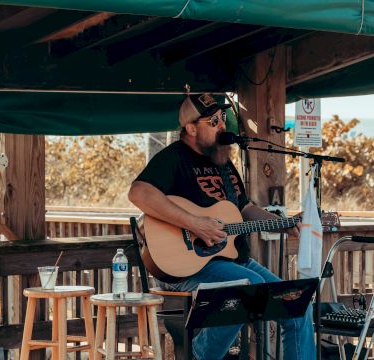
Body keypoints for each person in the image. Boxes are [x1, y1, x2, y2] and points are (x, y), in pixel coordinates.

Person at [128, 93, 316, 360]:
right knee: (248, 286)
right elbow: (138, 193)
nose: (222, 125)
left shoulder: (223, 162)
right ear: (191, 128)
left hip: (234, 260)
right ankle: (202, 353)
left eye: (222, 119)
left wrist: (283, 224)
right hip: (190, 266)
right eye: (213, 120)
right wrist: (195, 223)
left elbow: (242, 208)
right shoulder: (173, 158)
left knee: (296, 304)